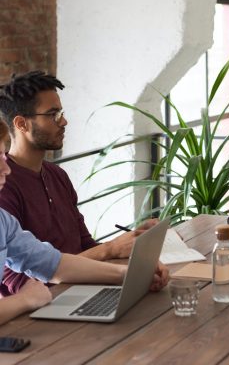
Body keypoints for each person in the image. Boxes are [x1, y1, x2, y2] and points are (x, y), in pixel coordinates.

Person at [0, 71, 157, 296]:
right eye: (53, 115)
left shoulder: (57, 175)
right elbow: (18, 284)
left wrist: (129, 252)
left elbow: (84, 246)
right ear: (21, 124)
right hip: (41, 309)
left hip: (83, 289)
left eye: (61, 112)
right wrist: (110, 250)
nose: (63, 121)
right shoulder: (5, 187)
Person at [0, 118, 169, 325]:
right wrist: (24, 300)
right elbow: (20, 284)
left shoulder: (3, 221)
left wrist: (130, 274)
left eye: (2, 155)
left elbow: (53, 265)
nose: (6, 169)